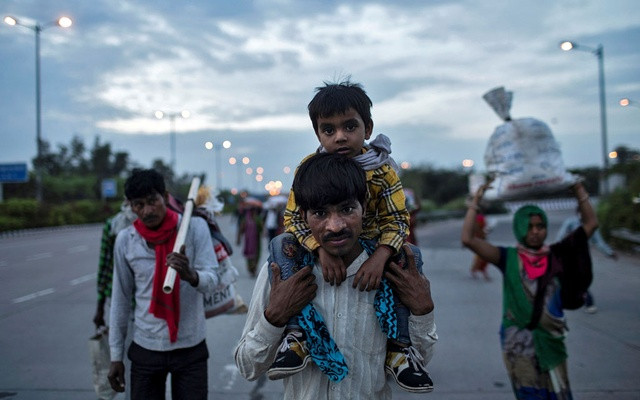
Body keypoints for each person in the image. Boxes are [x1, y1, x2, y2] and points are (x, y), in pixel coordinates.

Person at [234, 153, 437, 399]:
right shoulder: (283, 273)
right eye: (320, 214)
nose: (335, 226)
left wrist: (423, 310)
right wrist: (275, 317)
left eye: (347, 209)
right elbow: (248, 367)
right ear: (303, 215)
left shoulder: (393, 272)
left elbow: (420, 360)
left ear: (364, 206)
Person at [272, 80, 431, 392]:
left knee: (413, 254)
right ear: (318, 134)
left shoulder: (382, 170)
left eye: (349, 126)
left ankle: (400, 349)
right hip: (323, 244)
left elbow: (397, 219)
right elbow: (293, 218)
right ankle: (295, 336)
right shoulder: (310, 168)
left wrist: (380, 257)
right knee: (281, 244)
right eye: (328, 130)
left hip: (370, 248)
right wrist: (320, 249)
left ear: (367, 128)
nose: (340, 136)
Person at [461, 180, 597, 400]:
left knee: (559, 393)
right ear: (519, 228)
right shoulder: (507, 258)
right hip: (518, 343)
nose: (535, 232)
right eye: (529, 226)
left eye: (540, 226)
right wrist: (475, 201)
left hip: (551, 340)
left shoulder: (557, 254)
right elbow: (468, 239)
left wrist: (579, 190)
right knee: (529, 394)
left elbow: (590, 224)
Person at [107, 169, 219, 400]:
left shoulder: (194, 228)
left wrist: (191, 275)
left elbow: (212, 281)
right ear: (130, 206)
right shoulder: (126, 240)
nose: (147, 211)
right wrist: (116, 355)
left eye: (152, 201)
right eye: (139, 205)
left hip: (191, 347)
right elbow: (120, 299)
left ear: (165, 197)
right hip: (146, 348)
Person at [555, 207, 617, 313]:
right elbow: (560, 237)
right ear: (577, 213)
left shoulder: (591, 226)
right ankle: (588, 301)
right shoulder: (570, 223)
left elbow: (598, 242)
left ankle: (583, 299)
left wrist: (609, 252)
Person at [93, 200, 137, 330]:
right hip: (121, 299)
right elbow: (105, 266)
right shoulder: (113, 225)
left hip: (148, 301)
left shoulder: (154, 224)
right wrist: (100, 307)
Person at [236, 199, 264, 277]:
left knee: (257, 255)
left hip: (256, 241)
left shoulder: (257, 219)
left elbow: (262, 229)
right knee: (249, 255)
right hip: (248, 241)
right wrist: (238, 239)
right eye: (251, 210)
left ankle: (254, 268)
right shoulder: (245, 219)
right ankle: (250, 269)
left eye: (253, 210)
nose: (252, 212)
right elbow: (241, 229)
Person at [469, 211, 491, 281]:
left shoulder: (478, 218)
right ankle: (480, 272)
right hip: (478, 240)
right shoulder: (478, 218)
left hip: (481, 239)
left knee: (482, 257)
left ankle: (476, 270)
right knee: (482, 257)